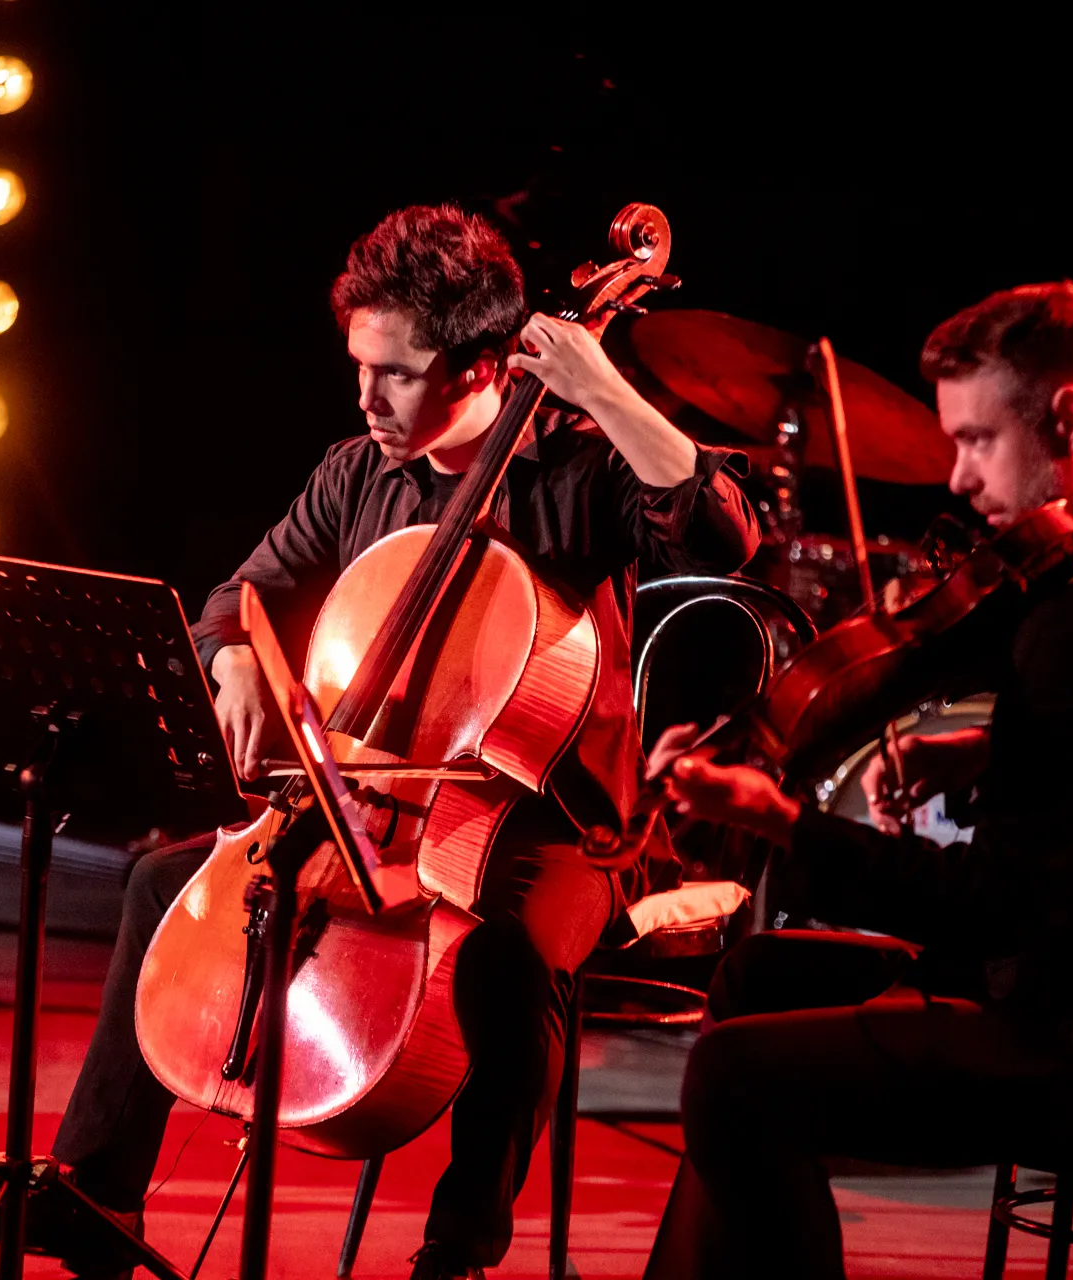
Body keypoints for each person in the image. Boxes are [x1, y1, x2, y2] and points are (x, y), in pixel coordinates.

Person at [45, 204, 759, 1280]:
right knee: (160, 885)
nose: (367, 399)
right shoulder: (355, 472)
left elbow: (722, 533)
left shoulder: (580, 465)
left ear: (482, 368)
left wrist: (604, 387)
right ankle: (94, 1198)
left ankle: (458, 1250)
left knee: (513, 959)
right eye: (360, 367)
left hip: (552, 823)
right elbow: (238, 592)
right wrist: (235, 653)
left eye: (398, 374)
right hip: (375, 803)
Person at [641, 281, 1073, 1280]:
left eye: (978, 439)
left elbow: (992, 913)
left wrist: (785, 827)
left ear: (1068, 416)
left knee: (735, 1077)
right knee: (752, 975)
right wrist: (988, 750)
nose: (955, 478)